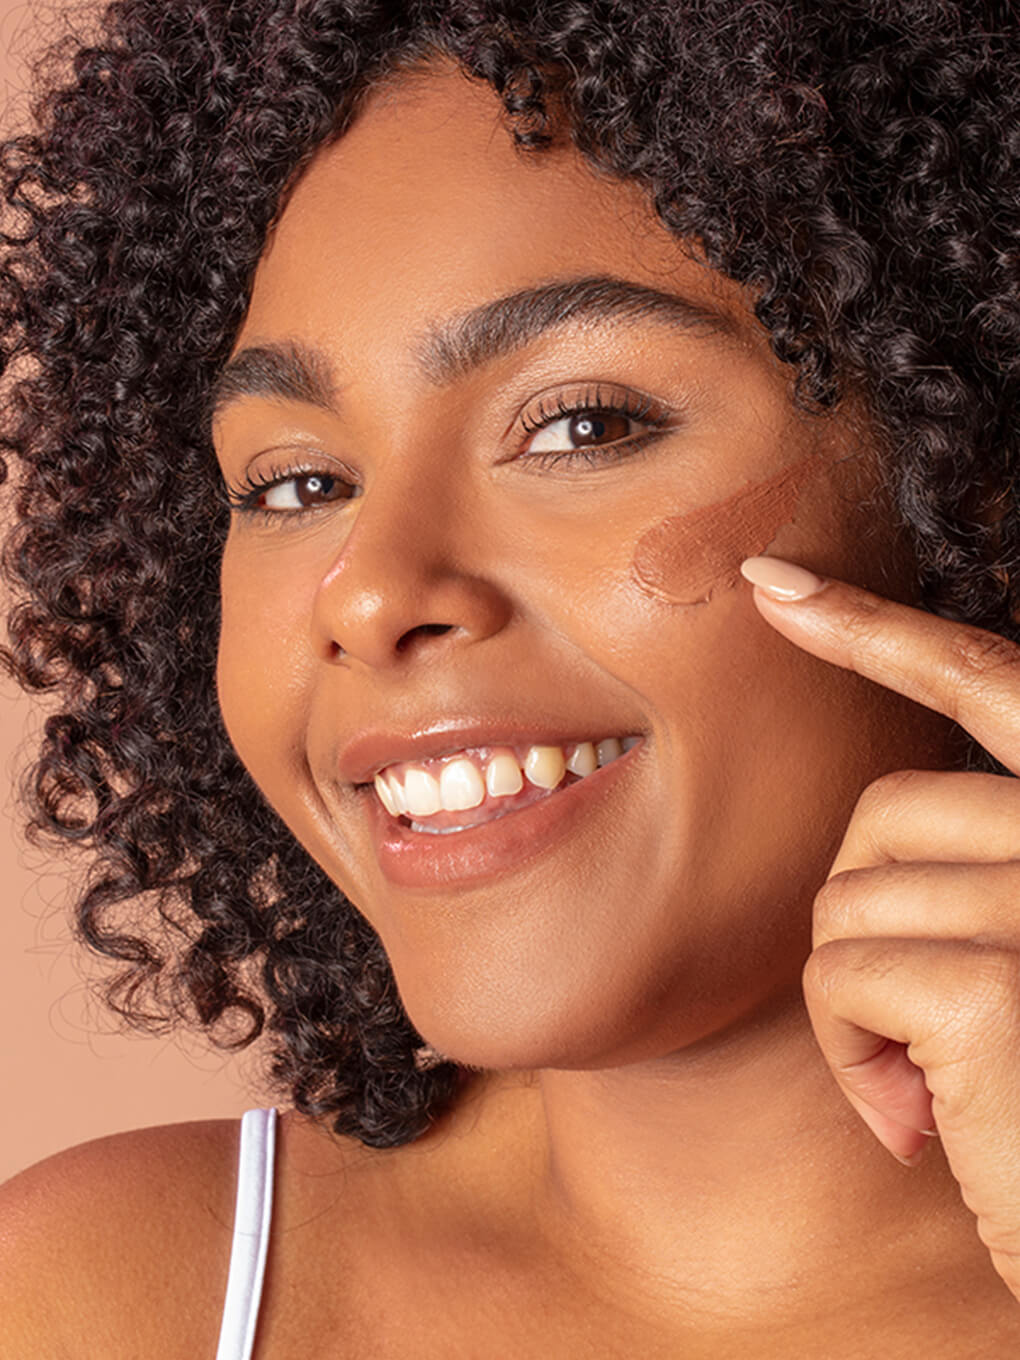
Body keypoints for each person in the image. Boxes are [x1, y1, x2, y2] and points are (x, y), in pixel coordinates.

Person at [1, 0, 1019, 1354]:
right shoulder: (106, 1296)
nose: (366, 591)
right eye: (297, 482)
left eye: (582, 425)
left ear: (970, 483)